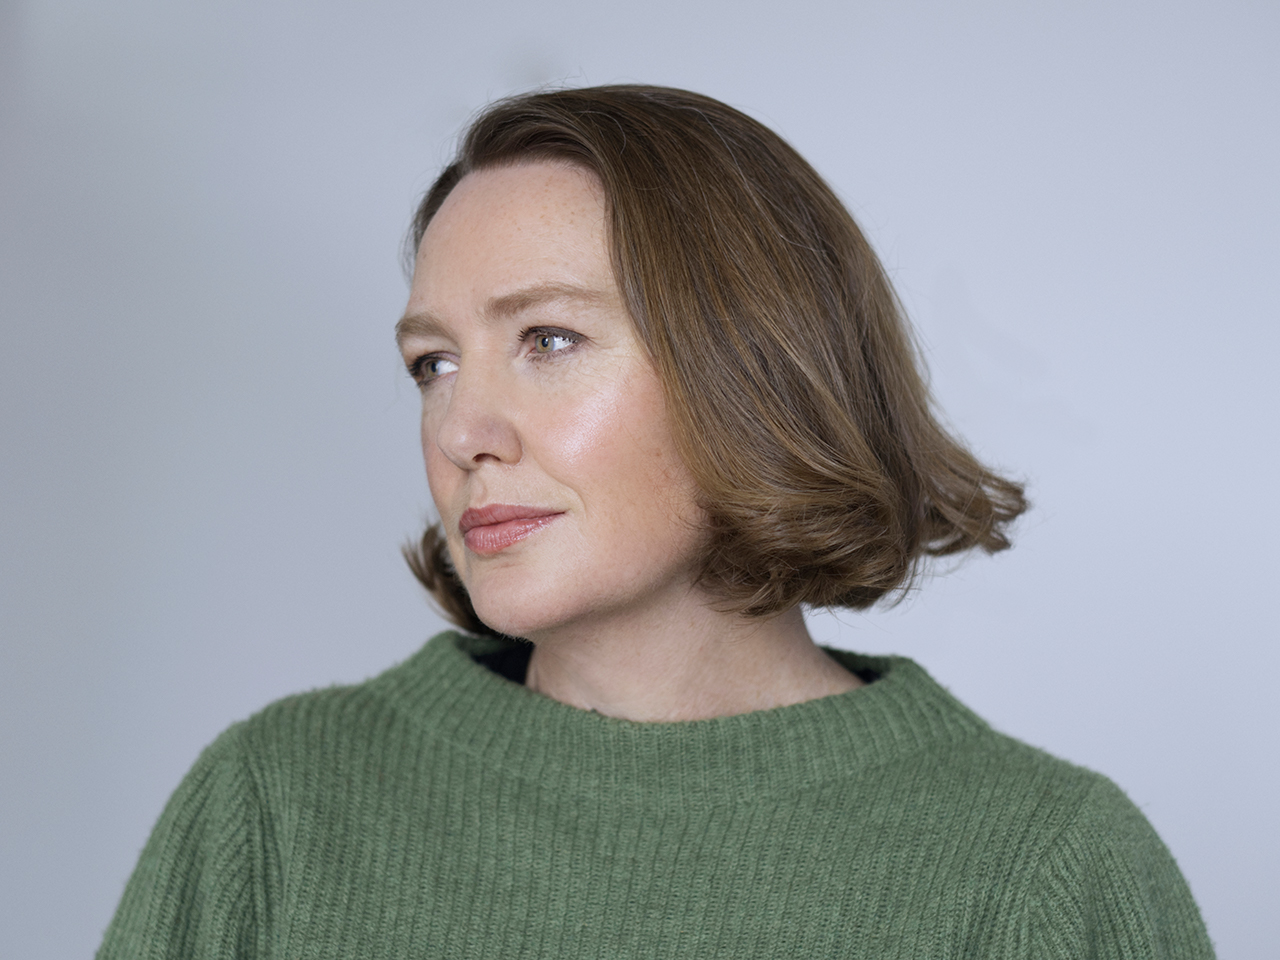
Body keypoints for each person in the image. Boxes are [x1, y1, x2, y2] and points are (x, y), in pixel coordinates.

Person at [98, 85, 1215, 958]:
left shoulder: (1044, 867)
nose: (461, 430)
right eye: (432, 363)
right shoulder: (275, 804)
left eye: (547, 340)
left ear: (752, 373)